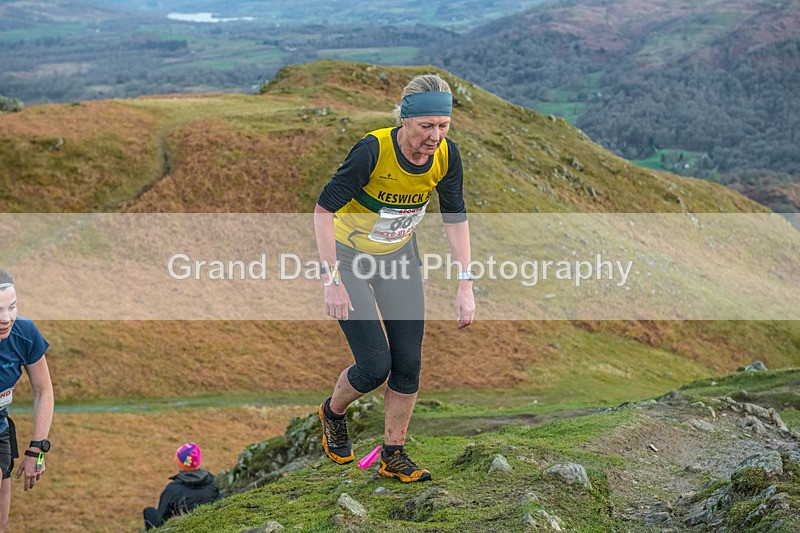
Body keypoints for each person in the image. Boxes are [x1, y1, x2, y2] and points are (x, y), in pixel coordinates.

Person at [314, 74, 475, 483]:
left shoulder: (446, 156)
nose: (435, 136)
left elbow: (455, 219)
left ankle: (393, 454)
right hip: (348, 258)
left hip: (398, 259)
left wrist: (465, 283)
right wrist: (332, 279)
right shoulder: (372, 150)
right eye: (427, 126)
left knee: (408, 363)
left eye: (443, 126)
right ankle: (332, 413)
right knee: (373, 367)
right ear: (405, 119)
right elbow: (322, 211)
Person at [0, 269, 55, 532]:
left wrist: (37, 450)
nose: (6, 318)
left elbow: (43, 391)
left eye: (12, 307)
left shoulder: (24, 333)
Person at [143, 442, 220, 529]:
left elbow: (161, 517)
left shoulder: (173, 489)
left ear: (180, 465)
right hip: (205, 523)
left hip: (179, 527)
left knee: (148, 512)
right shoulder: (211, 482)